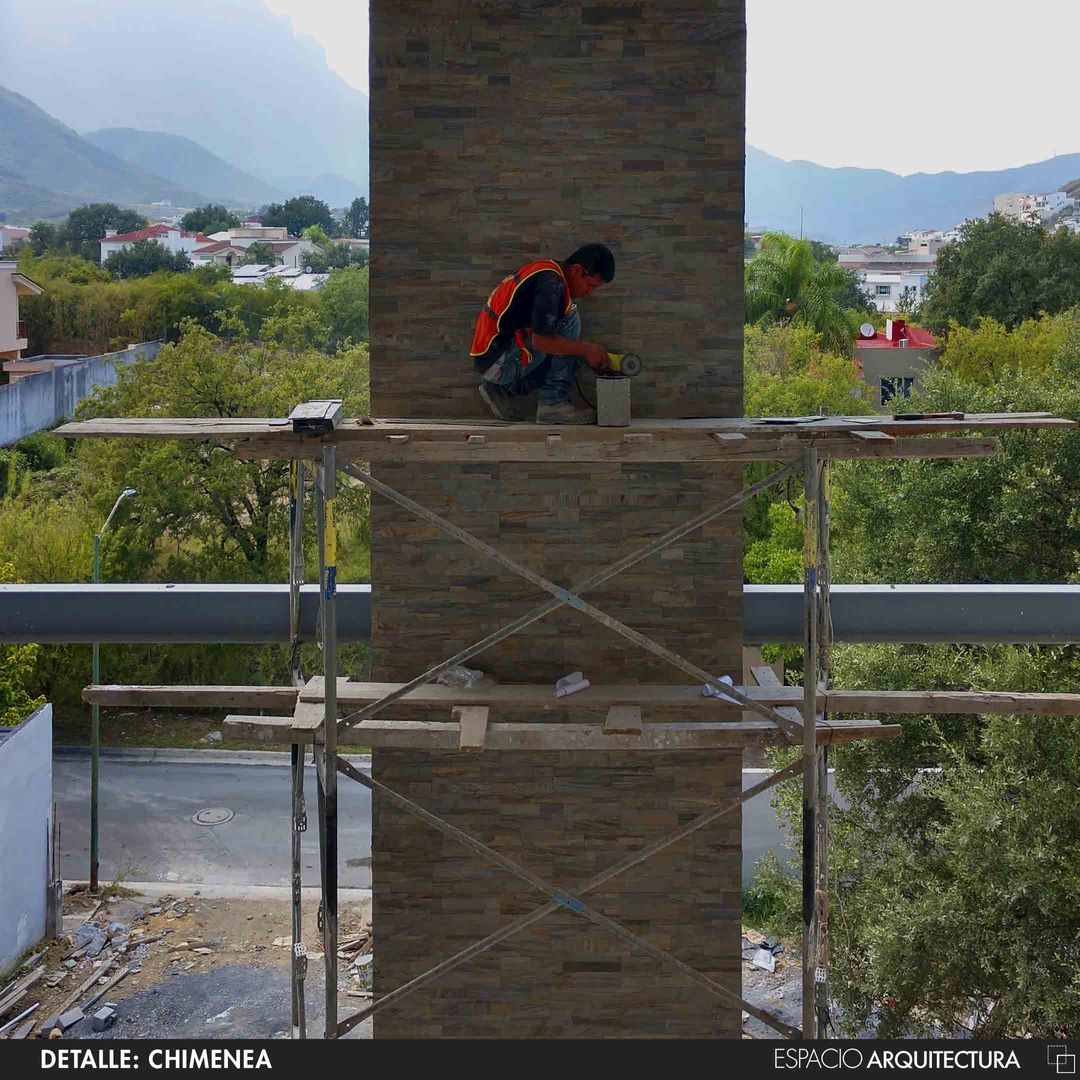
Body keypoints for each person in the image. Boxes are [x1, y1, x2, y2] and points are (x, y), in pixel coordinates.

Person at [469, 243, 615, 424]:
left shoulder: (547, 271)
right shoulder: (551, 283)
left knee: (568, 340)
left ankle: (502, 389)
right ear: (577, 270)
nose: (590, 293)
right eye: (590, 285)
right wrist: (585, 349)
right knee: (570, 320)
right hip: (498, 361)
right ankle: (552, 404)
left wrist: (581, 354)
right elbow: (541, 342)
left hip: (492, 358)